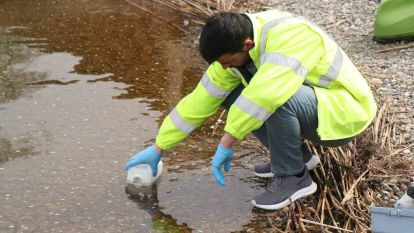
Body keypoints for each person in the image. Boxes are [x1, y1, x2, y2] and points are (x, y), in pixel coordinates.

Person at [125, 9, 377, 210]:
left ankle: (294, 176)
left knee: (274, 99)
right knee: (229, 95)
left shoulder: (292, 35)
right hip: (314, 107)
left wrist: (226, 141)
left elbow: (266, 95)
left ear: (246, 44)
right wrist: (160, 146)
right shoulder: (235, 44)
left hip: (346, 112)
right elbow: (199, 101)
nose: (225, 68)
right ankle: (297, 157)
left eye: (228, 62)